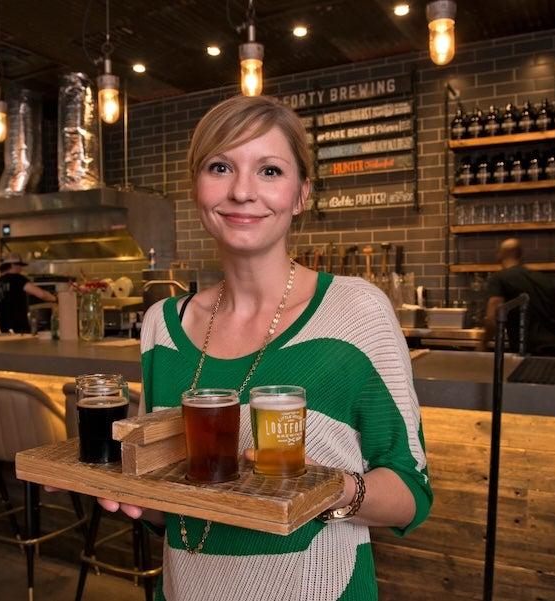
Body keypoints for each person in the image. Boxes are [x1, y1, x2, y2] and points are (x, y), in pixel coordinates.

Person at [89, 95, 432, 600]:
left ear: (301, 195)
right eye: (220, 166)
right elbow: (176, 508)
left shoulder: (358, 313)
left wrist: (328, 489)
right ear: (197, 187)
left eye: (270, 170)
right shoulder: (163, 323)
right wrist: (128, 495)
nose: (243, 191)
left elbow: (411, 494)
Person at [483, 238, 555, 354]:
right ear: (520, 255)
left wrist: (483, 343)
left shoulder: (499, 278)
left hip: (527, 351)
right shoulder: (543, 279)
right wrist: (546, 330)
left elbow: (492, 319)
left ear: (500, 255)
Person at [0, 252, 56, 333]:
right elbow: (42, 294)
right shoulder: (18, 279)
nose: (21, 269)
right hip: (20, 332)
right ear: (12, 265)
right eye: (19, 265)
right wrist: (56, 298)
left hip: (3, 333)